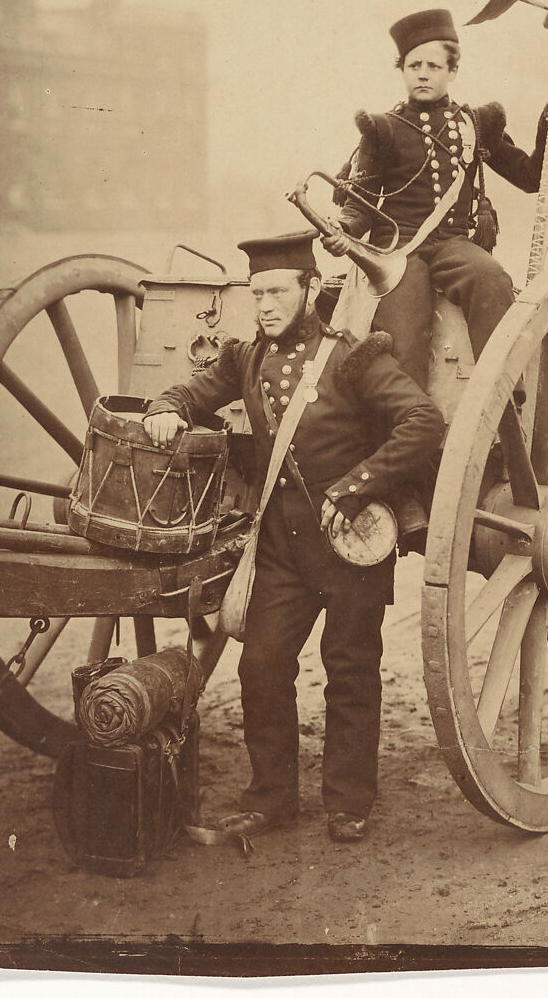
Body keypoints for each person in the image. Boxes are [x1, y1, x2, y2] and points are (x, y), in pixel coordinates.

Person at [143, 231, 445, 844]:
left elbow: (423, 420)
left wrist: (359, 485)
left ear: (310, 290)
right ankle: (273, 797)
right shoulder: (245, 358)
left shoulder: (353, 358)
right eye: (257, 294)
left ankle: (348, 802)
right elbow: (191, 393)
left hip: (350, 544)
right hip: (281, 548)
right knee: (260, 666)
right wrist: (165, 408)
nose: (266, 306)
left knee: (351, 669)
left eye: (278, 291)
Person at [322, 7, 548, 392]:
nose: (423, 73)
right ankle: (410, 423)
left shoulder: (475, 124)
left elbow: (530, 177)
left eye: (434, 66)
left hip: (454, 244)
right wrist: (342, 231)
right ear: (402, 70)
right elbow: (361, 206)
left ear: (452, 71)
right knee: (402, 333)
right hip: (398, 251)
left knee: (491, 278)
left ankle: (501, 390)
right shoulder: (381, 129)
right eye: (413, 65)